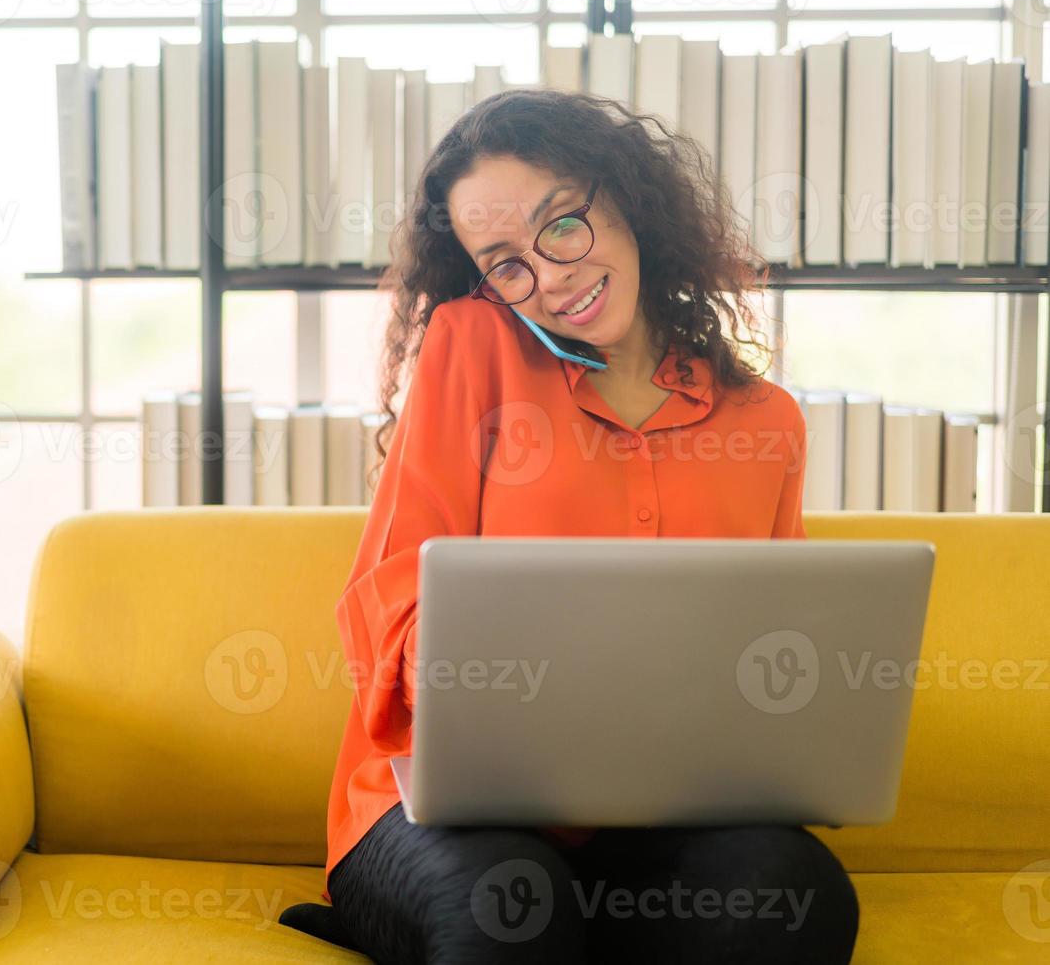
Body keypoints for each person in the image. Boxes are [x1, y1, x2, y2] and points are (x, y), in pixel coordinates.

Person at [278, 88, 859, 963]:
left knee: (797, 894)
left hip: (655, 822)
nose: (549, 276)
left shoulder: (764, 419)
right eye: (505, 261)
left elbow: (774, 638)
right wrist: (463, 680)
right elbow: (389, 590)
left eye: (562, 225)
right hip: (440, 814)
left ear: (624, 195)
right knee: (512, 907)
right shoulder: (471, 344)